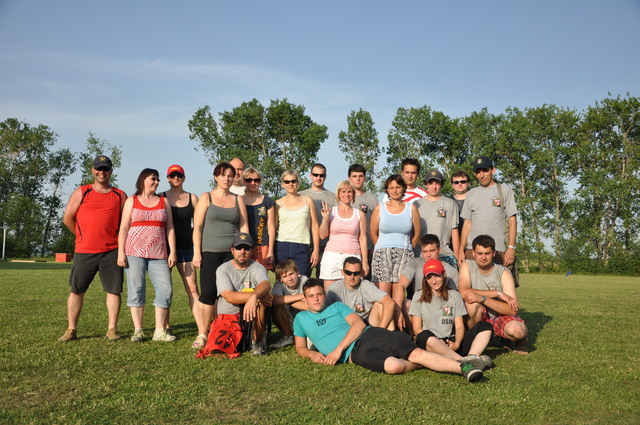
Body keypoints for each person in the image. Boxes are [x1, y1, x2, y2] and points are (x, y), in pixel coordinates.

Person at [293, 279, 484, 382]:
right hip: (355, 354)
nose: (316, 299)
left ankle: (463, 367)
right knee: (394, 366)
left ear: (324, 295)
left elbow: (358, 325)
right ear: (305, 298)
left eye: (319, 294)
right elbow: (300, 348)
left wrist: (337, 350)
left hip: (370, 334)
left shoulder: (336, 307)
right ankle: (430, 361)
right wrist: (311, 354)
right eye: (311, 296)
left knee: (416, 353)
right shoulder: (301, 319)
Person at [59, 155, 127, 342]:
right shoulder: (82, 191)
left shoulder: (120, 195)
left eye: (105, 169)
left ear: (111, 172)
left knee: (113, 291)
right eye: (99, 169)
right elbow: (68, 218)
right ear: (93, 170)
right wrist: (81, 236)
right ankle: (71, 329)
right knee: (77, 290)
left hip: (112, 251)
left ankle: (112, 329)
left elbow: (125, 223)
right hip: (85, 251)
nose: (102, 172)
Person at [192, 162, 249, 349]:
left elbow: (243, 227)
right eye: (223, 175)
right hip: (209, 252)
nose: (226, 178)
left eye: (230, 175)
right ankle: (202, 333)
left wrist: (245, 249)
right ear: (216, 177)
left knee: (230, 294)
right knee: (208, 293)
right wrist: (197, 253)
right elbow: (197, 227)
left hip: (232, 255)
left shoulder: (238, 199)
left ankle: (227, 329)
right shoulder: (206, 197)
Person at [117, 168, 177, 342]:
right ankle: (138, 331)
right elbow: (124, 228)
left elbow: (170, 228)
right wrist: (121, 252)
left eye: (158, 179)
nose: (156, 182)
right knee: (136, 289)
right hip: (134, 252)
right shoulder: (132, 201)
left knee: (166, 289)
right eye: (153, 179)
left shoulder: (164, 202)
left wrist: (172, 251)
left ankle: (159, 331)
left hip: (159, 254)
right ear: (143, 180)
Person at [410, 259, 494, 371]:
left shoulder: (454, 295)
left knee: (485, 326)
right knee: (424, 335)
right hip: (430, 343)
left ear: (444, 274)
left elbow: (459, 326)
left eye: (437, 276)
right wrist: (437, 342)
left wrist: (457, 344)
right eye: (429, 277)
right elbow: (417, 329)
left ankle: (471, 356)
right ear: (425, 279)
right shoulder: (418, 296)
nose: (434, 281)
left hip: (450, 342)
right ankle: (464, 361)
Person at [458, 235, 529, 354]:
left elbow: (513, 310)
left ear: (494, 253)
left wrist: (483, 298)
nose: (483, 257)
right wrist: (497, 293)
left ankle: (519, 341)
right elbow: (464, 291)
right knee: (471, 304)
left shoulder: (503, 272)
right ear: (473, 253)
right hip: (479, 316)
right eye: (480, 253)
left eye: (487, 253)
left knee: (518, 331)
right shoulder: (467, 266)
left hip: (498, 316)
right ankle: (476, 339)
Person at [458, 156, 519, 286]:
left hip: (497, 251)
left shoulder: (504, 190)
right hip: (472, 251)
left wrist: (511, 248)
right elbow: (467, 224)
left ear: (493, 170)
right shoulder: (471, 194)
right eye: (478, 172)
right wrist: (461, 250)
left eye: (485, 171)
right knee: (471, 290)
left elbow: (512, 220)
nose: (482, 175)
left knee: (498, 289)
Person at [370, 174, 420, 330]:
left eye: (398, 187)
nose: (395, 190)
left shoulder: (411, 208)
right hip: (382, 254)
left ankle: (400, 329)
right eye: (391, 187)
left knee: (399, 294)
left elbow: (416, 234)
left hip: (404, 254)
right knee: (383, 296)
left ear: (403, 188)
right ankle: (384, 329)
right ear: (387, 190)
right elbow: (373, 233)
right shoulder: (380, 207)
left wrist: (407, 249)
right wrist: (383, 248)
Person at [214, 232, 273, 356]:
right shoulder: (223, 269)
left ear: (252, 251)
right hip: (230, 317)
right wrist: (254, 296)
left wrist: (255, 297)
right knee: (262, 297)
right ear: (232, 250)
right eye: (239, 248)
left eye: (246, 248)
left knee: (262, 300)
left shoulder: (258, 267)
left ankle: (256, 342)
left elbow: (266, 284)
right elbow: (229, 296)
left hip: (251, 316)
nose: (242, 251)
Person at [160, 164, 199, 336]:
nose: (176, 178)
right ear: (168, 178)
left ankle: (202, 326)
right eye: (172, 175)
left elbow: (199, 225)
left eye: (179, 175)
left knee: (193, 289)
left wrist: (197, 248)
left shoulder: (192, 198)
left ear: (184, 178)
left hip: (186, 249)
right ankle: (166, 326)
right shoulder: (160, 197)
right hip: (164, 250)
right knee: (165, 290)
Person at [318, 180, 369, 287]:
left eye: (349, 192)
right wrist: (325, 219)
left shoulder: (359, 214)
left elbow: (363, 239)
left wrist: (365, 262)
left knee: (352, 291)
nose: (346, 194)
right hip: (332, 257)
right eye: (343, 191)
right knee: (330, 292)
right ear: (338, 194)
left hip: (353, 256)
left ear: (353, 194)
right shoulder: (330, 212)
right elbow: (322, 235)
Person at [326, 257, 395, 329]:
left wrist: (380, 329)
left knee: (381, 305)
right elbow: (325, 314)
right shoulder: (334, 289)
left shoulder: (366, 285)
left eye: (356, 273)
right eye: (348, 273)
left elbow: (390, 302)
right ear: (342, 272)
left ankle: (389, 334)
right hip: (344, 325)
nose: (352, 277)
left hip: (366, 322)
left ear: (362, 273)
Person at [274, 170, 320, 278]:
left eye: (293, 181)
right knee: (283, 281)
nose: (290, 184)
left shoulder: (308, 200)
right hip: (281, 247)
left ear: (298, 182)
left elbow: (315, 226)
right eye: (287, 182)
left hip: (302, 247)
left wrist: (316, 250)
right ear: (283, 184)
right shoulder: (277, 204)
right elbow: (273, 228)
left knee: (302, 280)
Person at [414, 169, 460, 267]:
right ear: (426, 184)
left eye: (437, 183)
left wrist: (457, 255)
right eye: (430, 183)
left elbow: (454, 231)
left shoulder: (450, 204)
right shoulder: (417, 205)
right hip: (422, 256)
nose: (434, 187)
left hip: (445, 254)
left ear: (441, 184)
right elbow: (413, 233)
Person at [300, 163, 336, 276]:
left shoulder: (333, 197)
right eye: (315, 175)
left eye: (321, 175)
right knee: (302, 280)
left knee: (323, 282)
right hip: (305, 245)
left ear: (325, 177)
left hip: (326, 247)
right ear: (310, 175)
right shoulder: (300, 195)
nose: (318, 178)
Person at [242, 167, 276, 271]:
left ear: (260, 181)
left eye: (256, 180)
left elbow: (271, 227)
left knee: (261, 276)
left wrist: (270, 250)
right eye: (249, 180)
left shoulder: (267, 202)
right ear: (243, 181)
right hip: (244, 245)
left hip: (263, 246)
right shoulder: (239, 200)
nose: (253, 183)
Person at [348, 164, 379, 276]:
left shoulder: (372, 199)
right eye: (354, 176)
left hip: (368, 248)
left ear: (365, 178)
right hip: (348, 247)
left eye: (360, 176)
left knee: (366, 280)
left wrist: (375, 246)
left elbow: (378, 225)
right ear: (349, 179)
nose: (358, 179)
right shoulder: (344, 197)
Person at [270, 259, 309, 349]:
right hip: (288, 320)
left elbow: (310, 305)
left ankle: (306, 335)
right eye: (284, 276)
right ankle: (288, 336)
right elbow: (275, 300)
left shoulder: (304, 280)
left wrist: (287, 301)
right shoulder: (279, 285)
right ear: (280, 279)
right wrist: (302, 296)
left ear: (297, 272)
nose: (289, 278)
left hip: (305, 318)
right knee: (276, 306)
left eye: (291, 274)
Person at [450, 170, 471, 236]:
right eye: (456, 182)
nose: (459, 184)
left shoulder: (475, 201)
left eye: (463, 182)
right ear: (452, 185)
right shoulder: (447, 203)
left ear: (468, 184)